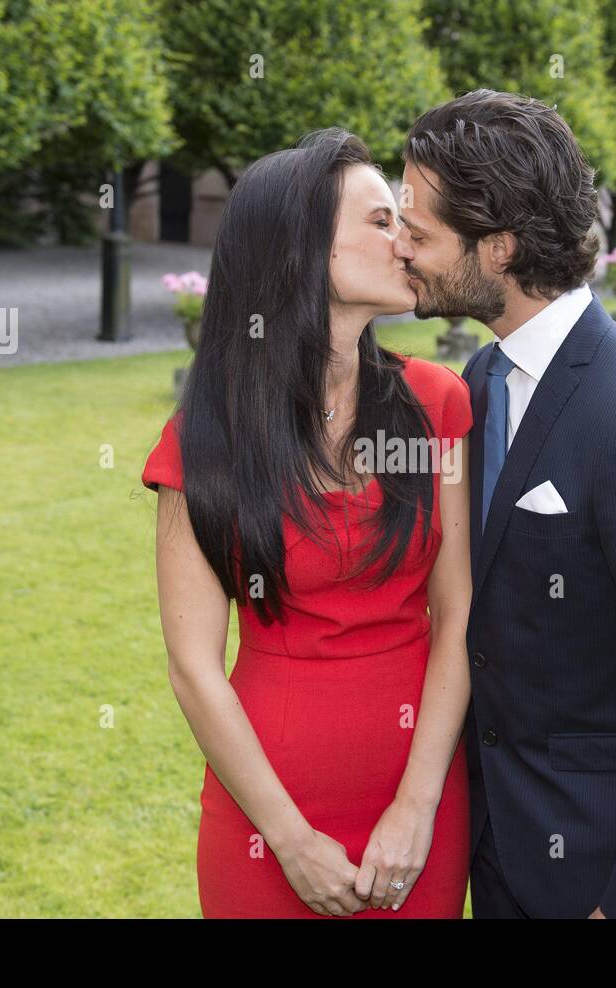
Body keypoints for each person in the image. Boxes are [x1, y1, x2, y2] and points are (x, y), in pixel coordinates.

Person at [395, 89, 616, 918]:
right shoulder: (480, 382)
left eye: (420, 234)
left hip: (606, 871)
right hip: (502, 849)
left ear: (499, 248)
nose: (404, 251)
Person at [142, 128, 473, 917]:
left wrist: (417, 806)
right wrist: (289, 839)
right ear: (301, 249)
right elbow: (194, 666)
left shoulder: (437, 405)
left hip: (417, 812)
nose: (407, 240)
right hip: (265, 822)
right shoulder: (202, 444)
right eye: (381, 220)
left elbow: (460, 613)